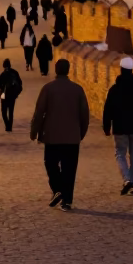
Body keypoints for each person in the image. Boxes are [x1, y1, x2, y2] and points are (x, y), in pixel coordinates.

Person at [30, 59, 89, 211]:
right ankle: (66, 200)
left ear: (56, 70)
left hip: (52, 137)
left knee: (50, 164)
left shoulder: (48, 89)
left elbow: (39, 113)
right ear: (68, 70)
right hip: (72, 137)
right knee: (70, 169)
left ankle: (57, 189)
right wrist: (80, 133)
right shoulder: (78, 89)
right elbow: (84, 115)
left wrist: (34, 132)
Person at [103, 56, 133, 195]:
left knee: (120, 153)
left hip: (120, 129)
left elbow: (108, 110)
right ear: (132, 70)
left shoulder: (114, 89)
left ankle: (127, 180)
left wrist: (106, 127)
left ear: (121, 70)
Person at [0, 59, 22, 131]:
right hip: (12, 95)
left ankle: (7, 125)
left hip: (4, 95)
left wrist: (3, 86)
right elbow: (20, 83)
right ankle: (9, 126)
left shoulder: (3, 74)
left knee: (4, 112)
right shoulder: (15, 73)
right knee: (11, 112)